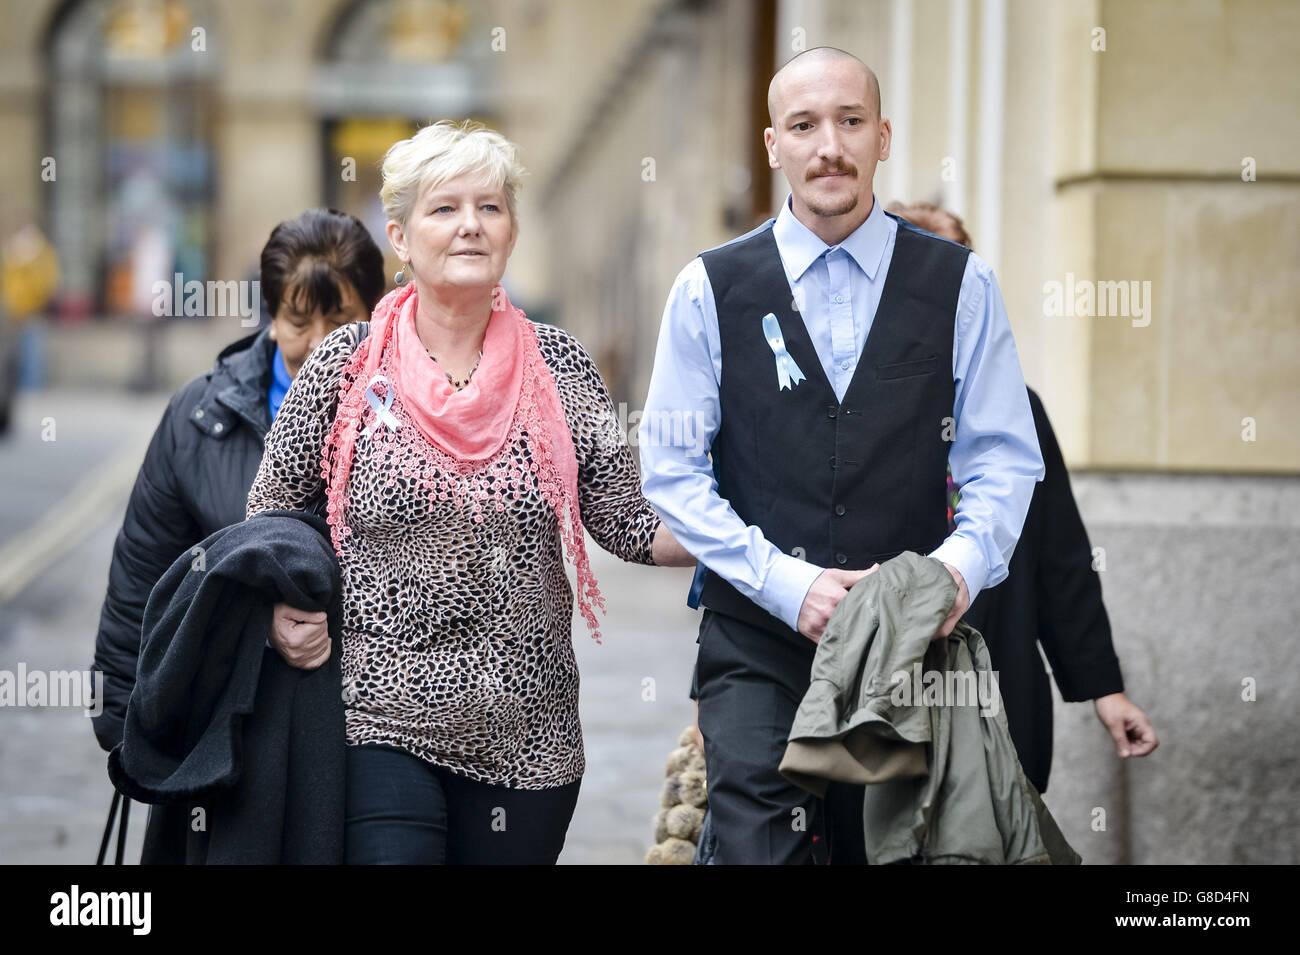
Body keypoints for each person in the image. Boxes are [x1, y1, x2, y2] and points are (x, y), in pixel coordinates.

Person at [245, 120, 694, 865]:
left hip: (530, 732)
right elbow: (272, 510)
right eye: (444, 208)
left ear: (512, 231)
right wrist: (277, 608)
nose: (470, 225)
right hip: (381, 716)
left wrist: (742, 530)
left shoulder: (561, 364)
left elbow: (621, 515)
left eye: (489, 207)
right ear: (400, 235)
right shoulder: (346, 365)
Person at [639, 47, 1045, 864]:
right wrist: (789, 585)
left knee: (889, 850)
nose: (829, 145)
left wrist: (953, 575)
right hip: (755, 639)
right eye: (805, 125)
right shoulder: (707, 287)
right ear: (772, 145)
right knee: (760, 847)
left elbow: (1003, 457)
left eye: (850, 121)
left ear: (882, 135)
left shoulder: (960, 283)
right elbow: (673, 474)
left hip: (911, 643)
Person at [887, 201, 1159, 794]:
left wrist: (1104, 689)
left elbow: (1061, 557)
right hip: (883, 701)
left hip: (1000, 692)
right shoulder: (853, 413)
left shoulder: (1019, 409)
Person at [91, 208, 385, 753]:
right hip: (231, 730)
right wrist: (121, 716)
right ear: (271, 316)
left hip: (370, 737)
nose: (322, 344)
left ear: (375, 314)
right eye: (299, 321)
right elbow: (144, 576)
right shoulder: (199, 418)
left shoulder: (412, 418)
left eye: (341, 322)